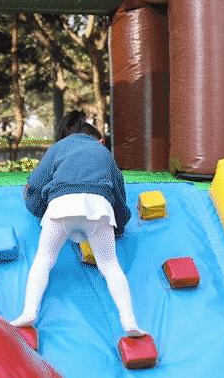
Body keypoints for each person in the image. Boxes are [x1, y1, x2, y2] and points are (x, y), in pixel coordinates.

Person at [10, 110, 146, 338]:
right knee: (110, 266)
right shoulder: (104, 154)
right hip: (98, 208)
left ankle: (29, 312)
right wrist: (119, 227)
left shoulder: (58, 148)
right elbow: (119, 195)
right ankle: (129, 321)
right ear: (100, 141)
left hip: (61, 205)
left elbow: (35, 184)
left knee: (44, 260)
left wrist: (37, 210)